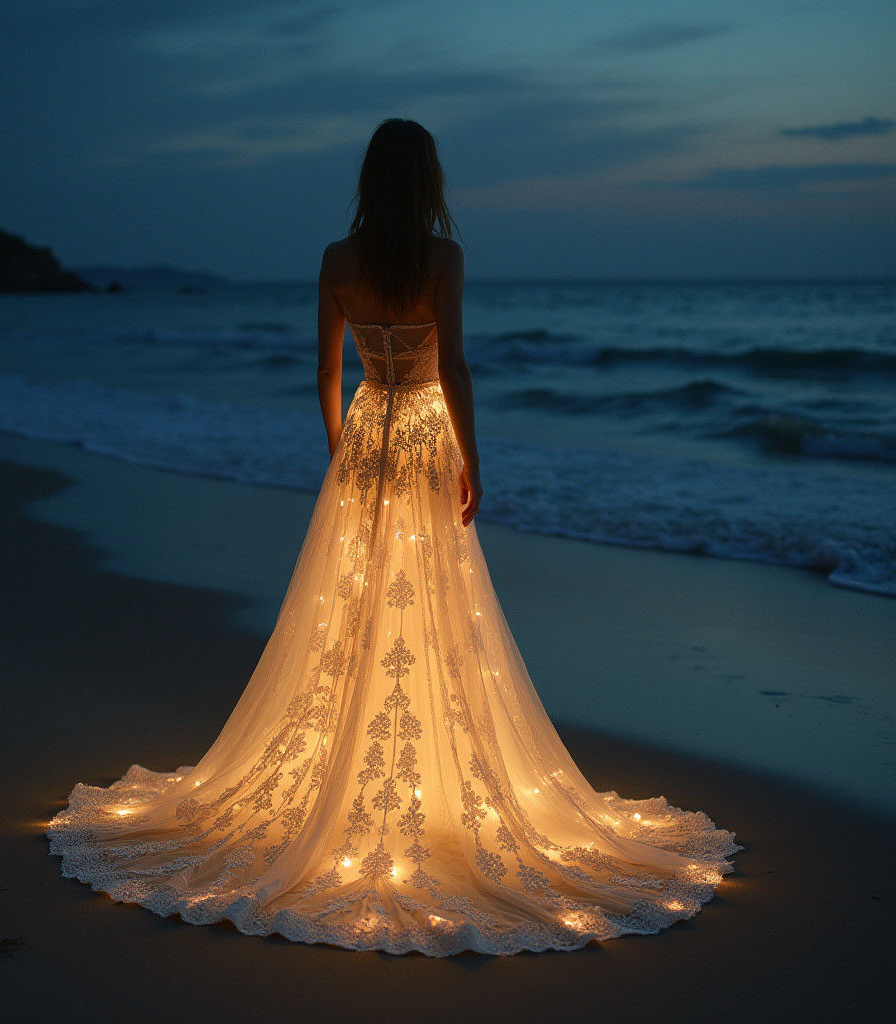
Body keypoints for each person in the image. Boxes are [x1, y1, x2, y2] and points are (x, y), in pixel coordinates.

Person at [48, 119, 740, 956]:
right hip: (422, 435)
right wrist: (472, 460)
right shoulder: (443, 260)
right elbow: (451, 368)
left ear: (371, 180)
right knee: (436, 603)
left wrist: (343, 454)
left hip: (370, 431)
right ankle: (422, 779)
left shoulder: (339, 259)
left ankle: (359, 767)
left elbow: (325, 371)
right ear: (429, 181)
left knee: (353, 601)